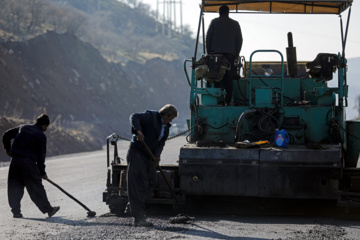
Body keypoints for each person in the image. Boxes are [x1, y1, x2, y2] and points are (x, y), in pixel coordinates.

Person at [125, 104, 178, 227]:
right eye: (171, 118)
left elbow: (161, 144)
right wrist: (138, 131)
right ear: (166, 115)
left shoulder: (166, 127)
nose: (171, 121)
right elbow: (134, 117)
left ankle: (132, 205)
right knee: (139, 183)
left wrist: (157, 156)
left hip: (150, 156)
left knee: (152, 181)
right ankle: (139, 218)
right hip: (137, 152)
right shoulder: (151, 116)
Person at [2, 114, 60, 218]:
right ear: (44, 126)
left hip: (15, 161)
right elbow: (41, 157)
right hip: (28, 163)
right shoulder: (41, 136)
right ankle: (48, 210)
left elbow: (6, 135)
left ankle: (16, 212)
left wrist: (8, 149)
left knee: (15, 186)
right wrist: (42, 172)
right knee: (36, 187)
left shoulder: (23, 127)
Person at [206, 4, 243, 106]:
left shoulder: (214, 22)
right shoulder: (235, 24)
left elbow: (208, 38)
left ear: (219, 12)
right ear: (228, 12)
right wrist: (236, 55)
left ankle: (216, 99)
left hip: (215, 55)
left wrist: (209, 53)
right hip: (229, 55)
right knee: (228, 77)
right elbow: (239, 40)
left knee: (215, 76)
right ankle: (228, 100)